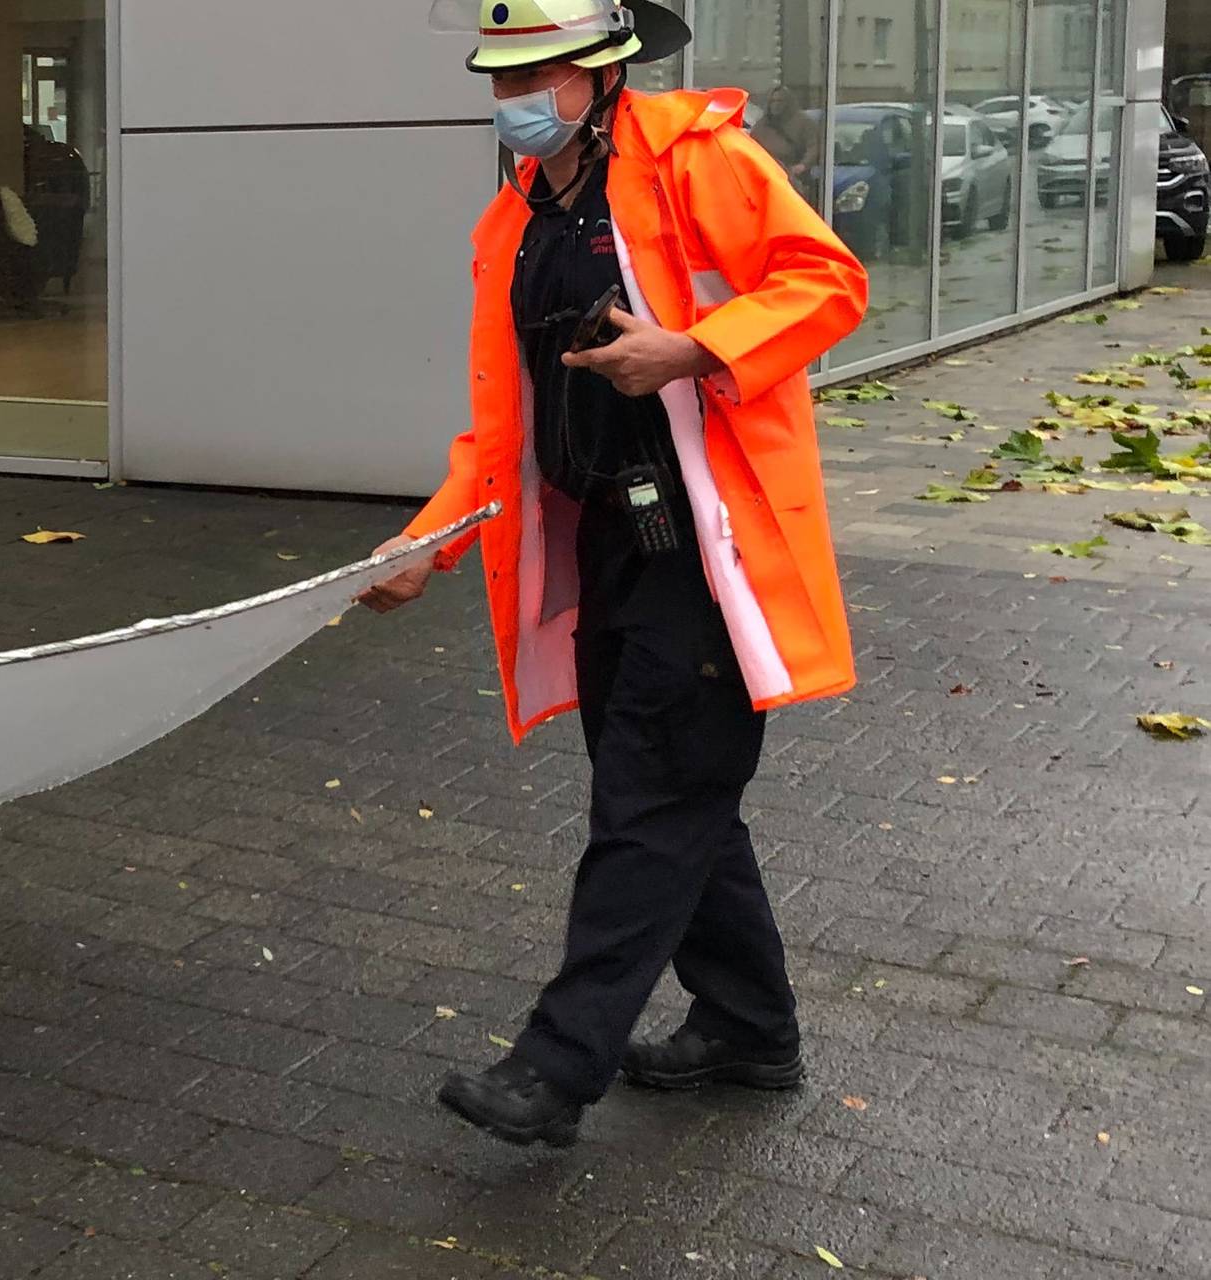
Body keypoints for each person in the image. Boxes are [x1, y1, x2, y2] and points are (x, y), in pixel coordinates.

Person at [366, 0, 867, 1147]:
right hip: (605, 540)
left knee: (651, 794)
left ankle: (556, 1064)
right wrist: (427, 542)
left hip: (703, 544)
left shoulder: (700, 160)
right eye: (498, 79)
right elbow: (503, 431)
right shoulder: (515, 223)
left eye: (533, 76)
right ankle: (750, 1025)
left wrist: (691, 349)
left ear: (599, 73)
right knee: (679, 787)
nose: (513, 101)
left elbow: (827, 280)